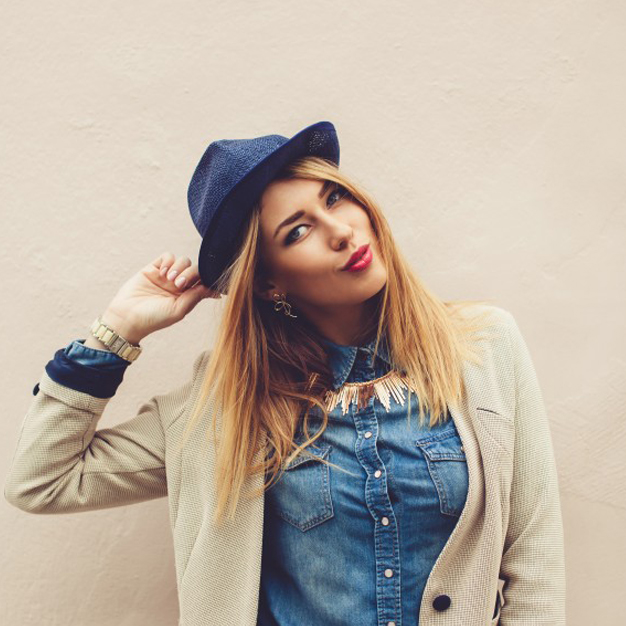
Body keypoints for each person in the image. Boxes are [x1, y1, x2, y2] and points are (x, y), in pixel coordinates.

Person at [4, 121, 565, 626]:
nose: (341, 231)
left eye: (335, 198)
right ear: (269, 282)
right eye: (297, 231)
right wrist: (116, 332)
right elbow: (42, 480)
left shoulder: (483, 347)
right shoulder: (224, 408)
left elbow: (534, 556)